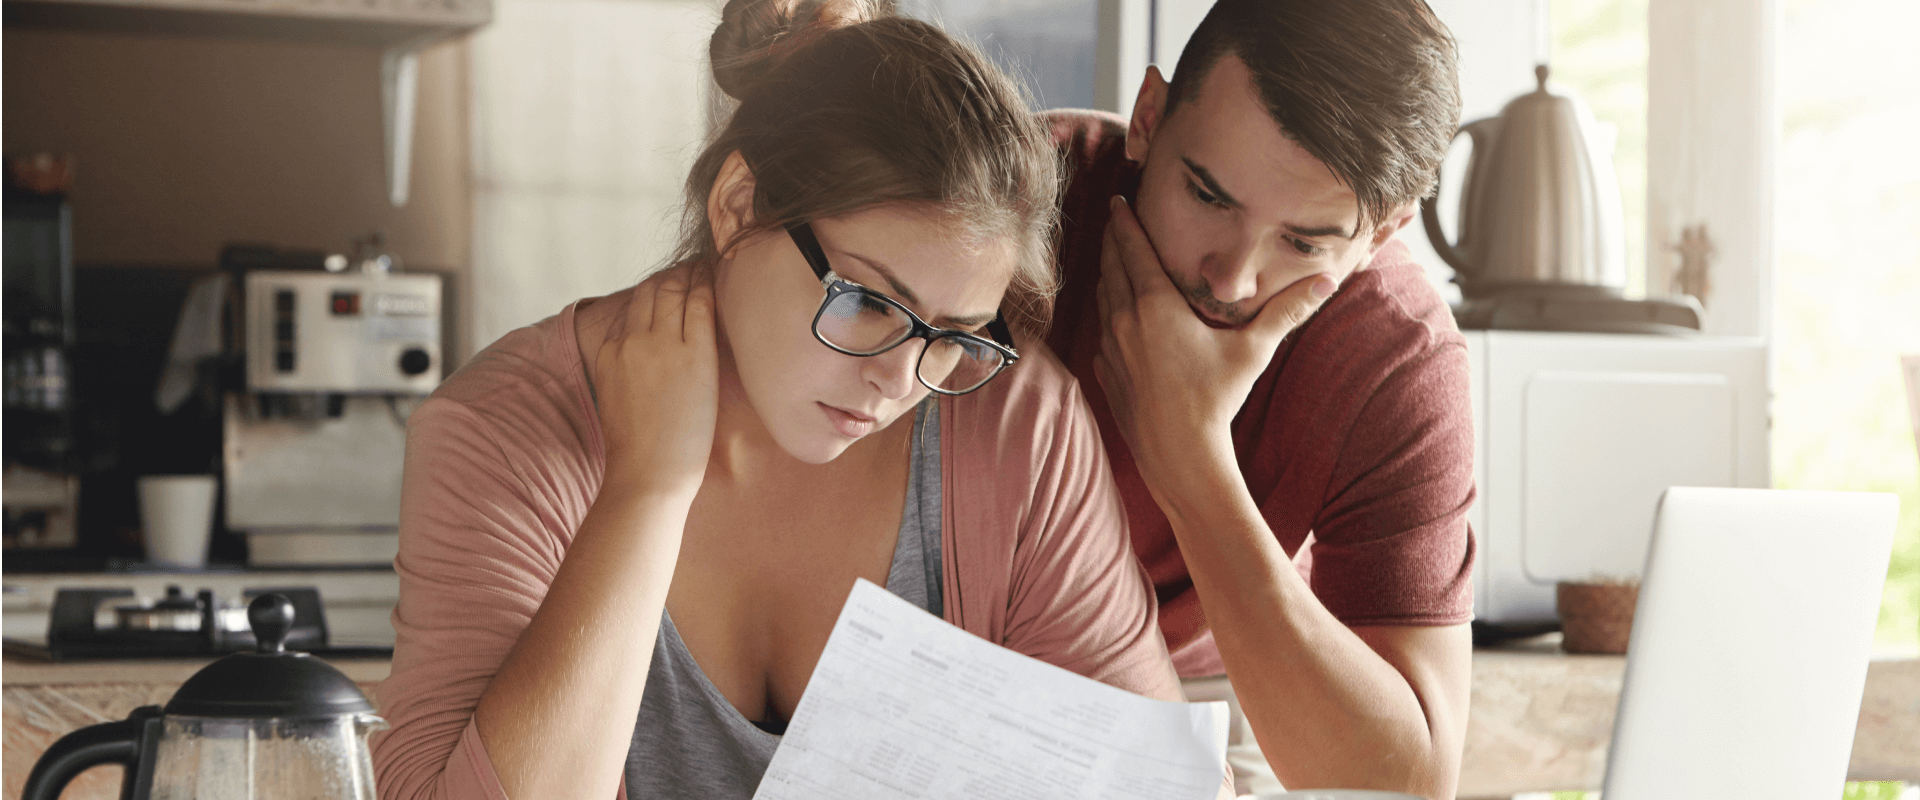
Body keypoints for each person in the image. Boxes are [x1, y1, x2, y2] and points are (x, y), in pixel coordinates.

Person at [371, 2, 1203, 797]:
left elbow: (1158, 784)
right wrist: (646, 490)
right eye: (869, 301)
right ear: (739, 207)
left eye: (953, 335)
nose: (902, 380)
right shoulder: (503, 433)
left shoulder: (1017, 424)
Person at [1040, 1, 1475, 797]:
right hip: (949, 654)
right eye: (1207, 195)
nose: (1230, 278)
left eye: (1304, 243)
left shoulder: (1396, 352)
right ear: (1147, 119)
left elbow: (1409, 785)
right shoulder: (1012, 200)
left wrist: (1190, 459)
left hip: (1218, 701)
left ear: (1382, 234)